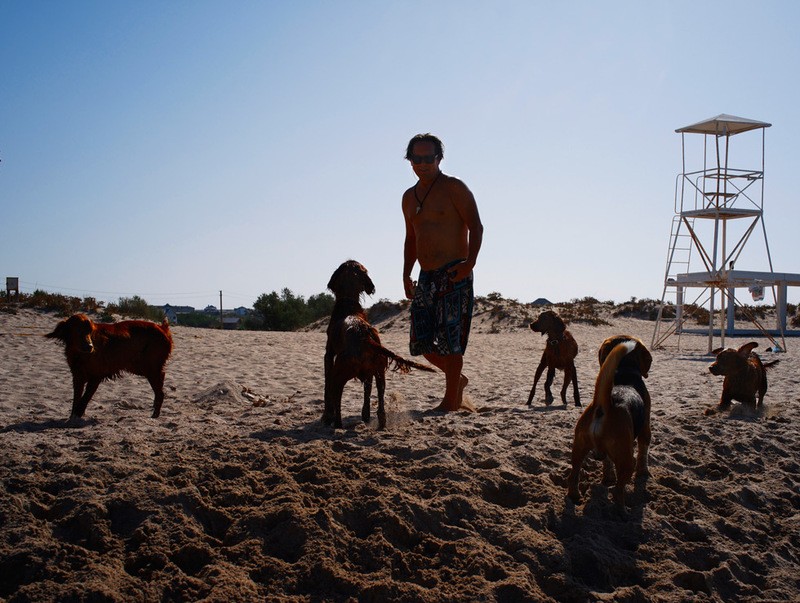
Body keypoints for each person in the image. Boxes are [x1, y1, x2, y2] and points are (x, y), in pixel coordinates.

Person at [402, 133, 484, 411]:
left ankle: (451, 401)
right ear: (409, 160)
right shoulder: (408, 197)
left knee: (452, 341)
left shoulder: (453, 188)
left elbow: (477, 226)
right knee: (420, 341)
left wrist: (469, 264)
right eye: (417, 158)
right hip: (426, 276)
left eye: (428, 158)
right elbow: (411, 239)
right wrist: (405, 274)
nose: (422, 164)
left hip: (454, 273)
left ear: (439, 159)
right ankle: (457, 380)